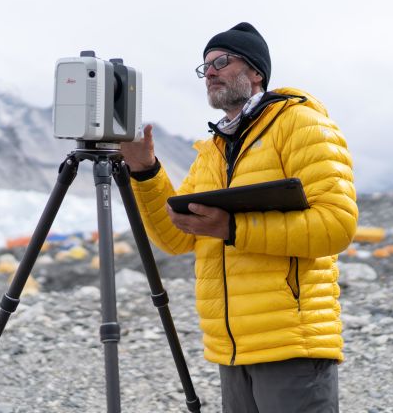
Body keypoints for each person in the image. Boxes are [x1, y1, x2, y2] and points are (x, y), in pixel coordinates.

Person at [121, 22, 358, 412]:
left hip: (290, 344)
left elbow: (336, 225)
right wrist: (145, 171)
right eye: (205, 67)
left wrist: (232, 228)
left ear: (255, 72)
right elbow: (177, 237)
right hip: (230, 350)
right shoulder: (214, 149)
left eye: (221, 61)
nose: (210, 72)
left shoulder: (299, 123)